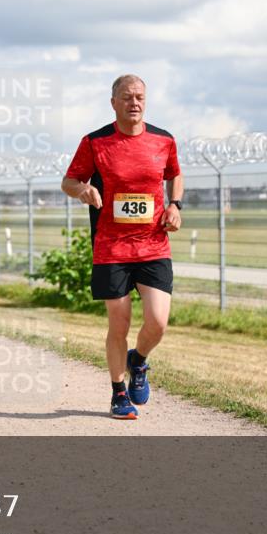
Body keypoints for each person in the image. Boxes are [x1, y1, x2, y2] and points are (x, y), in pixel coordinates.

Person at [61, 74, 184, 420]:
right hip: (112, 246)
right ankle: (118, 393)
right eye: (127, 97)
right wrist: (82, 190)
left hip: (153, 244)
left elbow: (175, 174)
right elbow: (69, 181)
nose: (135, 103)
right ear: (113, 102)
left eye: (140, 97)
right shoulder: (95, 142)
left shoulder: (164, 140)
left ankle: (139, 361)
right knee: (119, 321)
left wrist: (175, 206)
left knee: (158, 322)